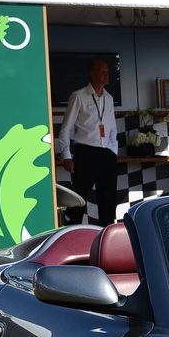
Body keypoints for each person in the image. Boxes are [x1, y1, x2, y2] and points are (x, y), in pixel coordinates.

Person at [54, 58, 119, 225]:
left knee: (108, 198)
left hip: (107, 153)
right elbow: (66, 128)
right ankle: (71, 233)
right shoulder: (78, 96)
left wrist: (113, 151)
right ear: (92, 73)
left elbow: (112, 129)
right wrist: (67, 155)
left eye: (107, 72)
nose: (106, 75)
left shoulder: (109, 98)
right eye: (102, 71)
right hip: (86, 152)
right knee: (79, 198)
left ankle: (107, 234)